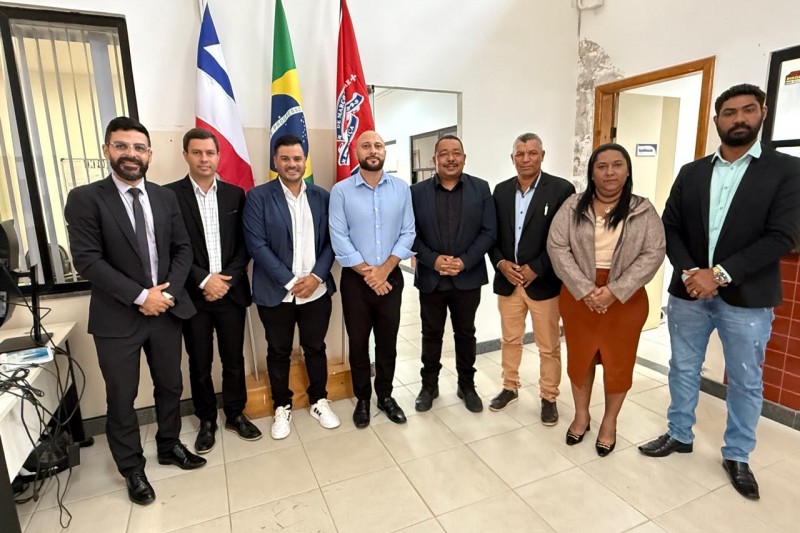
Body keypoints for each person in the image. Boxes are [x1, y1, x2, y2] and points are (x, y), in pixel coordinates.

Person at [639, 83, 800, 499]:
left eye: (748, 110)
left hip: (747, 298)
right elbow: (669, 225)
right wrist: (692, 271)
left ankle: (738, 454)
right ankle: (679, 434)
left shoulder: (787, 171)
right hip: (688, 293)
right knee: (683, 368)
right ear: (717, 121)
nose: (739, 119)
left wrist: (721, 274)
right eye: (729, 113)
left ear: (762, 113)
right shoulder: (693, 172)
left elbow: (783, 236)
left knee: (746, 380)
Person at [64, 117, 205, 506]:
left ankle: (169, 445)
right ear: (107, 149)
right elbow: (88, 262)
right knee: (122, 398)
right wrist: (142, 297)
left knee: (171, 386)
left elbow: (183, 250)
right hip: (117, 319)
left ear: (149, 154)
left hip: (165, 312)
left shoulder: (164, 197)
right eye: (122, 146)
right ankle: (132, 469)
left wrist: (166, 294)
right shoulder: (85, 198)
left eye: (139, 147)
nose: (131, 154)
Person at [548, 143, 665, 457]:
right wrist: (586, 289)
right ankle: (581, 416)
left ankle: (609, 422)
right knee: (580, 358)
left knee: (618, 362)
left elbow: (654, 253)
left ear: (627, 170)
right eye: (601, 166)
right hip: (578, 296)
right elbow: (557, 247)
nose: (609, 172)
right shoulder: (573, 206)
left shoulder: (643, 209)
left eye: (616, 165)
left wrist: (614, 290)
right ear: (592, 172)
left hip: (625, 300)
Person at [165, 128, 261, 454]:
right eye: (197, 152)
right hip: (194, 296)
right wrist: (205, 280)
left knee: (234, 359)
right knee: (199, 362)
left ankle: (235, 414)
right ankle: (206, 420)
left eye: (210, 153)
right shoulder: (169, 196)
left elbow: (245, 246)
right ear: (186, 155)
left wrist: (225, 280)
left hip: (230, 293)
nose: (204, 159)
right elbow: (170, 250)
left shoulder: (236, 195)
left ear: (219, 156)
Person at [243, 134, 339, 440]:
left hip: (316, 291)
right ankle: (281, 406)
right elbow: (256, 245)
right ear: (275, 162)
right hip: (276, 293)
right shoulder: (258, 198)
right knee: (278, 351)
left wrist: (317, 277)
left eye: (297, 158)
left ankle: (318, 400)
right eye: (285, 158)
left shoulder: (323, 197)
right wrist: (289, 280)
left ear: (305, 160)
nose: (292, 164)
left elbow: (331, 243)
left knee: (316, 348)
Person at [329, 130, 415, 428]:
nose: (373, 150)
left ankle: (386, 396)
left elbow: (408, 232)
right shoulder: (341, 191)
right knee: (358, 343)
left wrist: (385, 269)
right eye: (366, 145)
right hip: (356, 283)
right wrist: (370, 273)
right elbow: (339, 239)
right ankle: (363, 399)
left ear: (384, 152)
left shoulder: (402, 189)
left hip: (390, 279)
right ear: (356, 152)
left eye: (378, 145)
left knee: (388, 342)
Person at [487, 133, 575, 424]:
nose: (526, 159)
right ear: (512, 158)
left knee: (548, 345)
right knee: (510, 339)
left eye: (532, 153)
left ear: (542, 155)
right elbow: (492, 235)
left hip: (543, 283)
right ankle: (509, 386)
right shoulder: (499, 191)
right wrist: (500, 263)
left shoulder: (561, 190)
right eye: (520, 153)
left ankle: (549, 396)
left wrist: (537, 267)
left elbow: (565, 239)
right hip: (508, 281)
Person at [410, 134, 497, 412]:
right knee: (431, 333)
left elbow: (489, 231)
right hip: (431, 277)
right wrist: (433, 260)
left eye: (456, 152)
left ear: (464, 157)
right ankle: (429, 385)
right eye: (444, 153)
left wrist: (464, 262)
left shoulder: (481, 189)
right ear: (434, 159)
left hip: (467, 277)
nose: (450, 158)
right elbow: (409, 234)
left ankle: (466, 385)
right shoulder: (416, 192)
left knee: (465, 333)